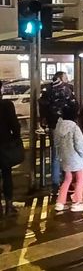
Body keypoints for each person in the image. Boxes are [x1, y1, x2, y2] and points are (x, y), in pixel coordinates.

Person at [39, 71, 77, 195]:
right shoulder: (67, 89)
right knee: (68, 153)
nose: (67, 79)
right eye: (65, 77)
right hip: (66, 124)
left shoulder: (47, 90)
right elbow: (74, 106)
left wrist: (44, 121)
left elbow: (42, 105)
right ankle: (67, 181)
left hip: (53, 125)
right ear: (60, 78)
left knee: (55, 155)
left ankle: (55, 185)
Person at [53, 104, 83, 212]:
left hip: (65, 157)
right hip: (76, 158)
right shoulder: (74, 127)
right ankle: (77, 202)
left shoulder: (58, 127)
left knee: (67, 179)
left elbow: (56, 144)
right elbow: (79, 143)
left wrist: (60, 156)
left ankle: (60, 202)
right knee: (80, 179)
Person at [0, 81, 21, 216]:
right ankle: (8, 205)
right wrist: (16, 138)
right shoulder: (7, 105)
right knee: (7, 175)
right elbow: (15, 125)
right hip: (5, 145)